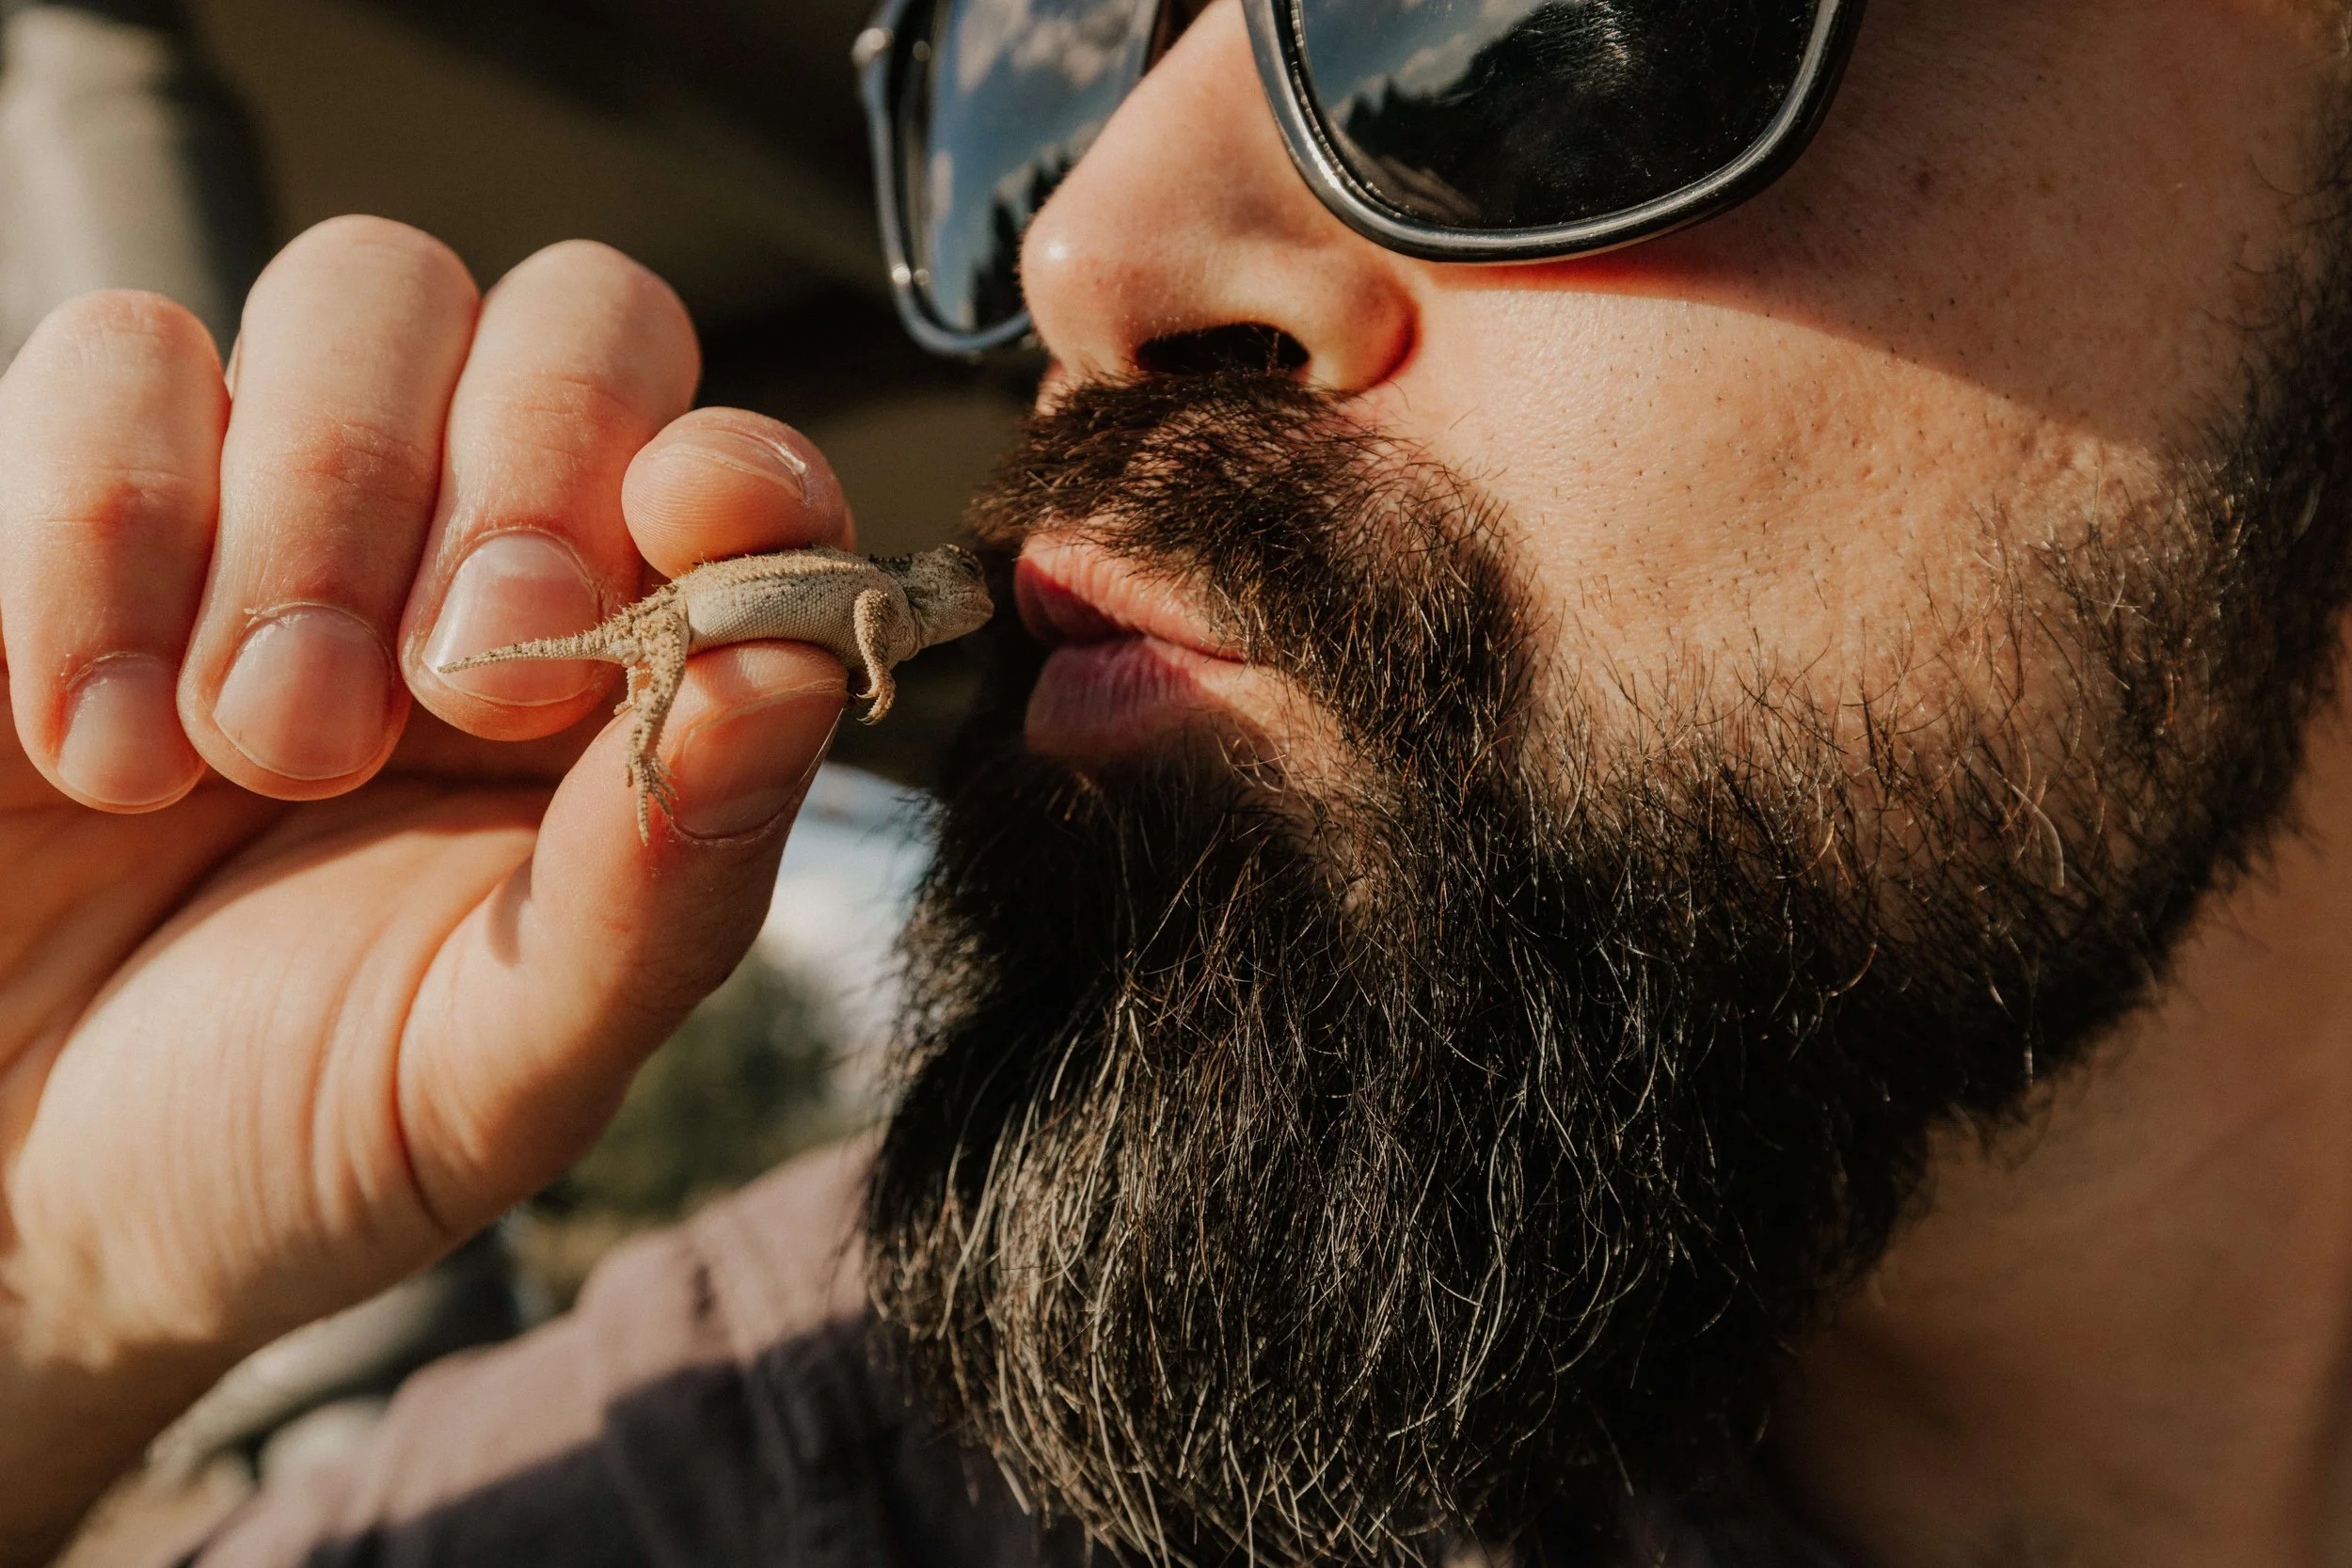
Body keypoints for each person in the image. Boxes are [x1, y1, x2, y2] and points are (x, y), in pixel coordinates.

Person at [7, 0, 2352, 1562]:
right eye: (1050, 59)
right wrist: (50, 1268)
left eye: (1511, 15)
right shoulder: (832, 1461)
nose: (1095, 245)